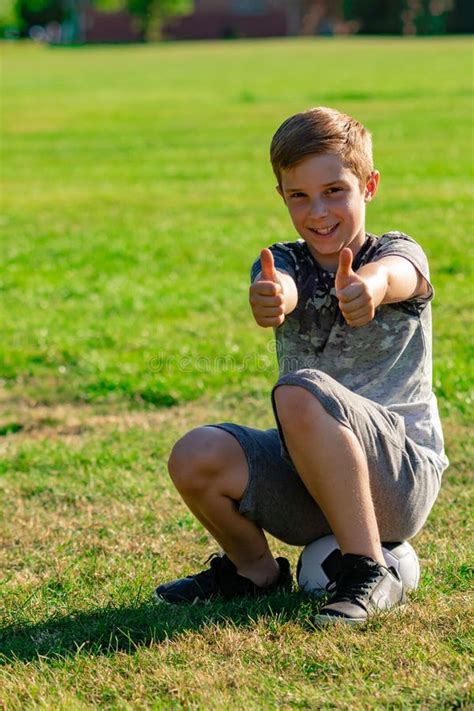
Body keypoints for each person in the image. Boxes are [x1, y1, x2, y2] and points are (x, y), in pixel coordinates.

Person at [154, 107, 448, 625]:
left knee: (300, 390)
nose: (318, 211)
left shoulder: (398, 252)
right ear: (283, 197)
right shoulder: (283, 261)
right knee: (195, 453)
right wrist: (273, 296)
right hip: (310, 481)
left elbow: (397, 274)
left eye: (335, 190)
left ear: (370, 185)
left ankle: (368, 569)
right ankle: (254, 574)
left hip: (400, 480)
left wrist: (370, 288)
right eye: (299, 196)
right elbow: (281, 286)